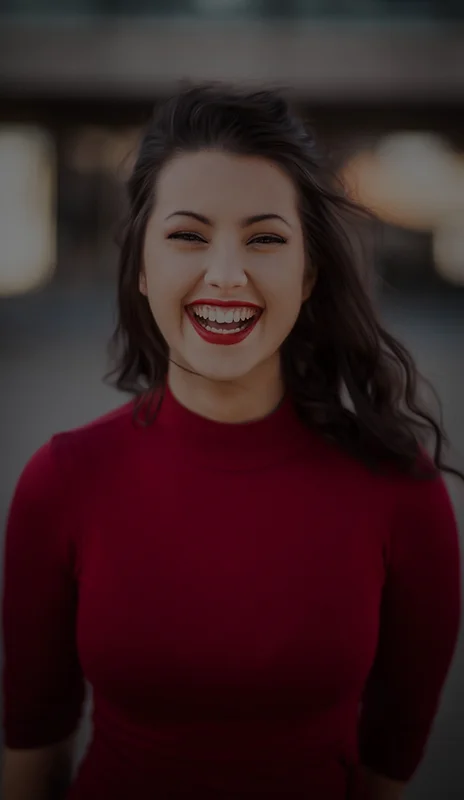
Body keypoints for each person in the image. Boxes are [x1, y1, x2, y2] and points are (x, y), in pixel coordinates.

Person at [1, 84, 462, 800]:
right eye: (188, 236)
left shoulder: (403, 493)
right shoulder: (60, 482)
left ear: (308, 273)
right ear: (142, 266)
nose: (224, 275)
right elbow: (31, 764)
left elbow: (386, 777)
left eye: (265, 239)